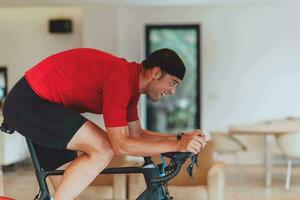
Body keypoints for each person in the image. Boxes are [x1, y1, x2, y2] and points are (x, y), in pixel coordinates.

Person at [2, 48, 206, 200]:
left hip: (52, 109)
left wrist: (180, 138)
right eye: (173, 83)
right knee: (103, 148)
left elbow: (136, 135)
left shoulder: (131, 84)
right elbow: (119, 145)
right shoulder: (121, 78)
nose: (172, 91)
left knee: (64, 191)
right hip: (30, 104)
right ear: (155, 73)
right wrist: (176, 145)